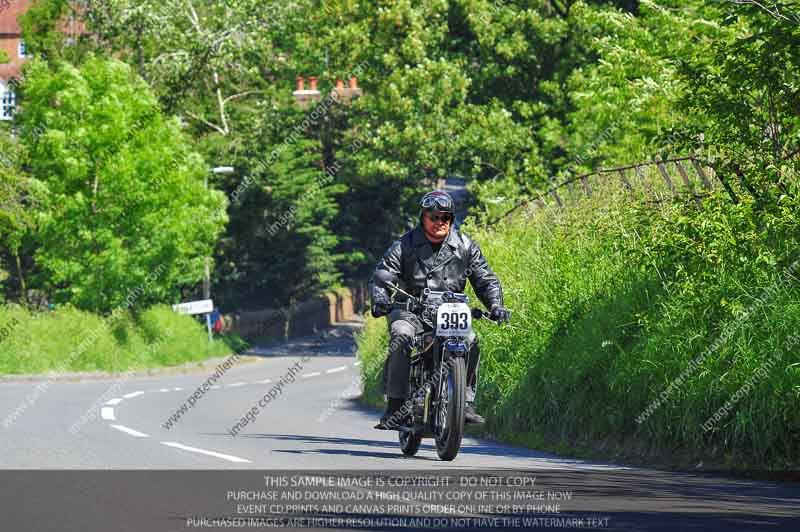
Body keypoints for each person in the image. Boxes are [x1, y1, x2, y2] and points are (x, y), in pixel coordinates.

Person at [370, 190, 511, 429]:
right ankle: (395, 405)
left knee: (471, 340)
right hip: (410, 310)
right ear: (423, 218)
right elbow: (383, 274)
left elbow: (485, 280)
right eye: (433, 216)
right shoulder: (403, 246)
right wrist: (381, 298)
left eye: (444, 217)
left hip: (450, 312)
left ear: (451, 220)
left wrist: (496, 305)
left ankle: (463, 402)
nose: (439, 222)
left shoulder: (466, 247)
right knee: (402, 336)